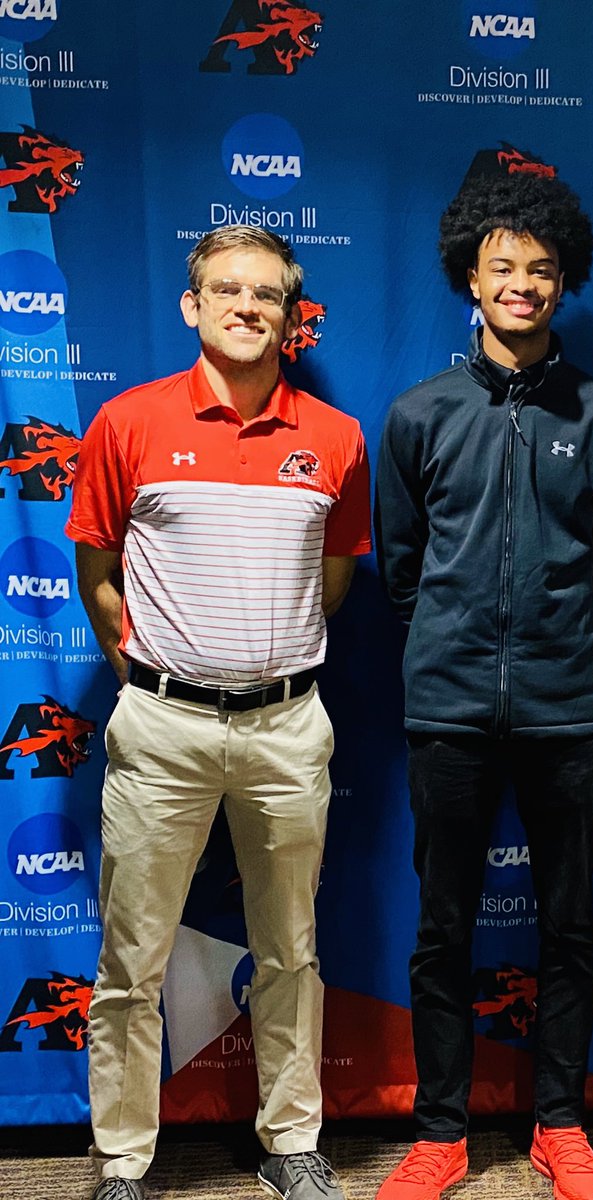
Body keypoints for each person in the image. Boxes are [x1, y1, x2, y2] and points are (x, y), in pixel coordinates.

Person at [66, 225, 371, 1200]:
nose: (248, 307)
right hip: (162, 730)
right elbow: (99, 572)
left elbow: (330, 583)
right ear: (192, 305)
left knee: (290, 949)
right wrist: (164, 673)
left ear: (291, 314)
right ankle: (123, 1159)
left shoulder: (335, 438)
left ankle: (291, 1143)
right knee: (132, 959)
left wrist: (259, 660)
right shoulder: (127, 423)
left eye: (268, 295)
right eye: (227, 290)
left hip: (287, 728)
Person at [374, 173, 593, 1200]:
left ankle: (560, 1126)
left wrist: (557, 644)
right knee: (443, 926)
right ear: (470, 278)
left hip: (569, 708)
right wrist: (455, 646)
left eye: (540, 268)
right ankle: (441, 1133)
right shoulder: (418, 415)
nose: (521, 284)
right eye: (503, 266)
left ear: (563, 279)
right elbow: (402, 568)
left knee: (568, 924)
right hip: (446, 709)